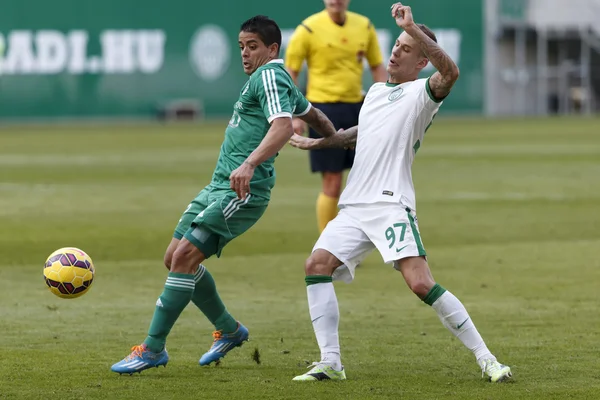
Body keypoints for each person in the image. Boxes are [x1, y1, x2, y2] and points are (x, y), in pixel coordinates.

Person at [288, 3, 513, 383]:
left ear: (421, 62)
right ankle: (331, 361)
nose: (394, 51)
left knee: (421, 283)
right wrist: (317, 144)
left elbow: (451, 72)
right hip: (356, 206)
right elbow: (359, 133)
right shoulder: (375, 92)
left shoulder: (423, 95)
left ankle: (487, 359)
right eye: (396, 44)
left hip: (392, 204)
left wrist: (414, 27)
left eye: (406, 49)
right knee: (316, 266)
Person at [110, 15, 338, 375]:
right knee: (175, 258)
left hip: (242, 188)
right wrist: (331, 137)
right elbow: (313, 113)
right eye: (241, 47)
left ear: (272, 49)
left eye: (252, 46)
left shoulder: (270, 74)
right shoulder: (278, 82)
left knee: (185, 256)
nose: (245, 54)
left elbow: (281, 127)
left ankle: (152, 349)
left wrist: (249, 164)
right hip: (217, 185)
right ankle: (230, 330)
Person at [285, 0, 388, 233]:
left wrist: (387, 104)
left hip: (358, 108)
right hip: (323, 110)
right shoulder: (308, 29)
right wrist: (297, 114)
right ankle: (328, 244)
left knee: (364, 180)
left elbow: (377, 67)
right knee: (332, 181)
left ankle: (355, 239)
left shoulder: (364, 26)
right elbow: (292, 72)